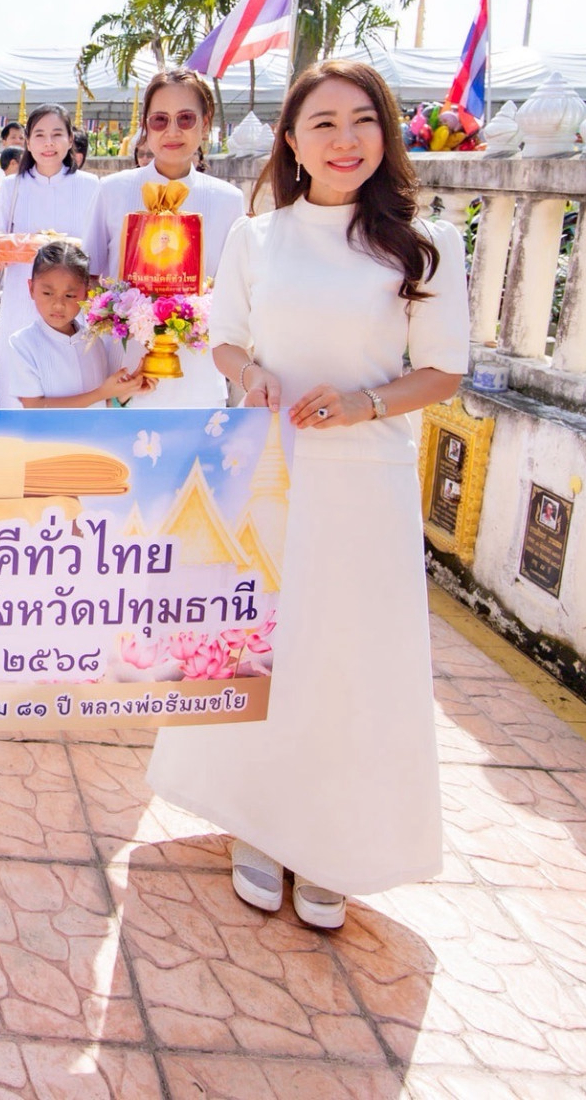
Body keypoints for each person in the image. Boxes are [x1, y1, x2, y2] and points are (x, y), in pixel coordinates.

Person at [147, 59, 469, 932]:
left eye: (362, 120)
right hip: (270, 478)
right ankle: (259, 820)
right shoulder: (258, 239)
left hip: (364, 485)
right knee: (266, 650)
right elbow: (225, 341)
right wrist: (248, 373)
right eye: (322, 123)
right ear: (291, 140)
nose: (344, 139)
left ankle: (332, 843)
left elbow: (445, 370)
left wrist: (367, 402)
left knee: (347, 659)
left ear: (386, 133)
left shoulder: (423, 242)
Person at [86, 71, 245, 408]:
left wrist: (194, 316)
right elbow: (91, 277)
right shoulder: (112, 191)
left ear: (205, 124)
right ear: (146, 126)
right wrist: (120, 312)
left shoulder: (228, 200)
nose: (173, 131)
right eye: (160, 120)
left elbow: (236, 292)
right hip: (126, 372)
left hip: (198, 372)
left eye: (185, 119)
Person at [0, 105, 104, 349]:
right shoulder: (12, 186)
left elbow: (99, 247)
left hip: (72, 299)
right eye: (39, 135)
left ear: (70, 139)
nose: (48, 143)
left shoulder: (90, 185)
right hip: (22, 296)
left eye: (57, 134)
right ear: (28, 142)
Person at [0, 241, 151, 408]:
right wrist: (102, 393)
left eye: (70, 295)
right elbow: (34, 407)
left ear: (86, 293)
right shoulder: (22, 343)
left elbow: (100, 406)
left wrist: (126, 392)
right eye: (47, 293)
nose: (58, 304)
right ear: (31, 288)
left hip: (92, 434)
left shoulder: (94, 342)